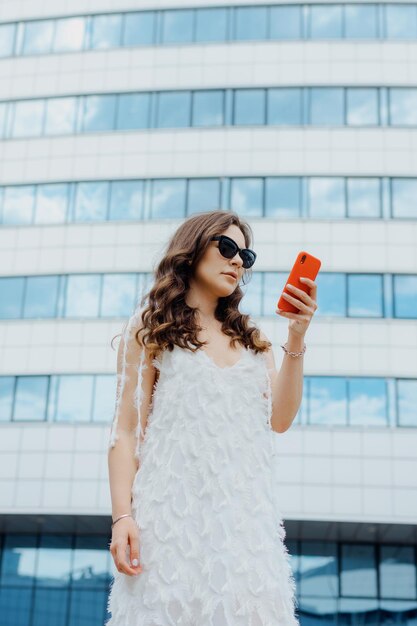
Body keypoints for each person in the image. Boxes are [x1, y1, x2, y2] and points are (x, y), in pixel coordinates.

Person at [105, 209, 318, 625]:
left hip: (245, 528)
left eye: (246, 255)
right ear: (191, 250)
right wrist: (121, 517)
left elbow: (280, 419)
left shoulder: (255, 341)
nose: (238, 260)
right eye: (227, 247)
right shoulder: (149, 329)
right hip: (168, 524)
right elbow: (125, 432)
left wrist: (296, 336)